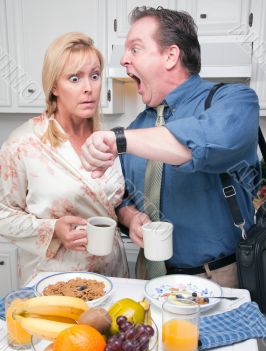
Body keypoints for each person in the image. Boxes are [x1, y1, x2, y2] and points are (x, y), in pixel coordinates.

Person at [80, 7, 260, 288]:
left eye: (135, 49)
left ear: (170, 56)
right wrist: (131, 216)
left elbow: (206, 142)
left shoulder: (233, 101)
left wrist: (119, 139)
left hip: (220, 278)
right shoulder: (139, 126)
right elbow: (124, 197)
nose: (124, 60)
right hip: (150, 277)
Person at [0, 32, 128, 285]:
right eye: (74, 78)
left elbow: (112, 203)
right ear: (54, 86)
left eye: (94, 76)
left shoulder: (105, 141)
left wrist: (132, 217)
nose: (89, 88)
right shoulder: (24, 143)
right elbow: (2, 215)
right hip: (54, 282)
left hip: (112, 277)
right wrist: (53, 229)